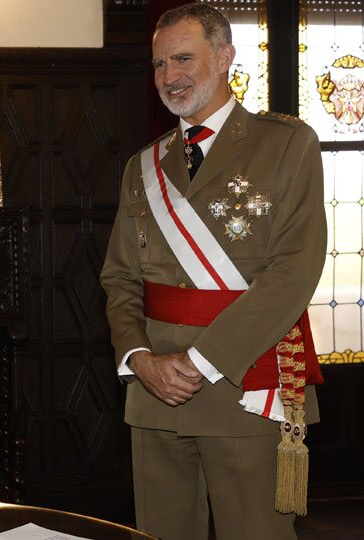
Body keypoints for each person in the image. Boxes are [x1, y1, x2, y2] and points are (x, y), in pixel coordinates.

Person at [100, 5, 326, 540]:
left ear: (225, 57)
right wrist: (138, 357)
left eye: (182, 58)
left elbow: (294, 271)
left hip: (242, 386)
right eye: (158, 65)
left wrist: (201, 362)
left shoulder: (287, 144)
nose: (168, 77)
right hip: (154, 393)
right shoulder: (143, 165)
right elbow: (120, 278)